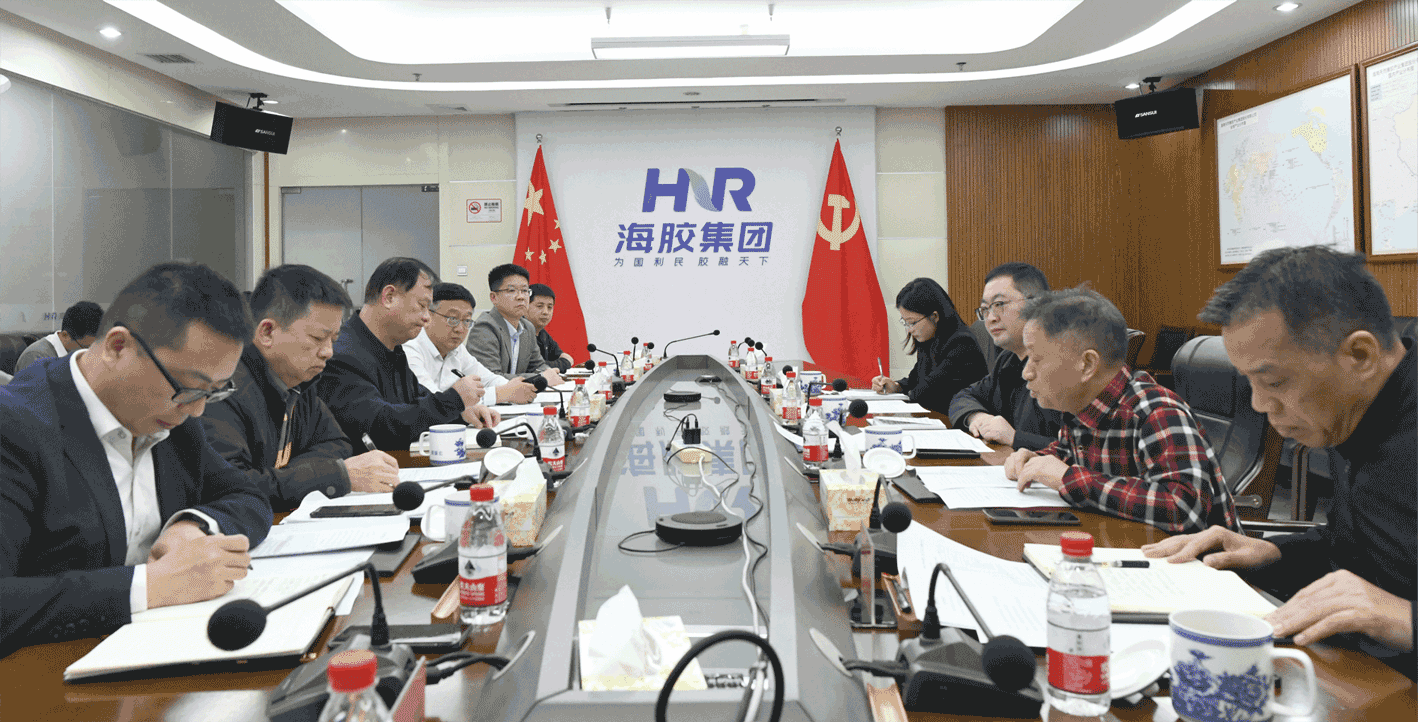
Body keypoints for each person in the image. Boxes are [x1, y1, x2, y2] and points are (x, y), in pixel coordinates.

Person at [1142, 246, 1414, 674]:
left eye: (1274, 381)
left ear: (1360, 356)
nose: (1259, 404)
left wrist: (1406, 618)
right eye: (1249, 382)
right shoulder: (1353, 414)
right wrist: (1270, 553)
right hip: (1356, 671)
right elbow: (1362, 550)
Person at [0, 262, 271, 656]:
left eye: (212, 392)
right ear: (117, 347)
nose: (197, 410)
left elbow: (247, 496)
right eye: (189, 388)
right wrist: (151, 585)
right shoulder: (15, 427)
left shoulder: (173, 417)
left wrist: (191, 526)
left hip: (158, 653)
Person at [1004, 287, 1238, 535]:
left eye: (1036, 359)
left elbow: (1184, 508)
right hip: (1128, 544)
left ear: (1087, 365)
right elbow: (1067, 454)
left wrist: (1067, 478)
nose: (1026, 372)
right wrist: (1035, 460)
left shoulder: (1157, 412)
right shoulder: (1081, 406)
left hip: (1197, 558)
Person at [200, 265, 402, 512]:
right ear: (267, 332)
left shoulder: (299, 381)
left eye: (334, 340)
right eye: (318, 338)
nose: (328, 352)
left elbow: (337, 443)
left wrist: (285, 476)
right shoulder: (223, 388)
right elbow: (231, 487)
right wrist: (332, 476)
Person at [318, 258, 499, 451]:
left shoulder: (392, 349)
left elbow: (416, 401)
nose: (427, 318)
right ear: (389, 297)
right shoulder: (342, 354)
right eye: (422, 305)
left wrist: (461, 413)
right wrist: (454, 400)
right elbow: (379, 427)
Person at [949, 263, 1064, 450]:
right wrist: (978, 417)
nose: (990, 318)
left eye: (999, 304)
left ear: (1037, 305)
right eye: (985, 309)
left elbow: (1083, 452)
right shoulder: (1007, 360)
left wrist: (1014, 438)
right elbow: (963, 396)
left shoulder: (1063, 364)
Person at [404, 282, 537, 404]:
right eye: (452, 319)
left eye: (467, 321)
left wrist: (516, 387)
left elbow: (489, 379)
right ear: (428, 316)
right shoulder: (409, 349)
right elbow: (434, 402)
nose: (460, 329)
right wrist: (500, 394)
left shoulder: (457, 350)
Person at [871, 277, 987, 414]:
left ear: (934, 316)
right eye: (906, 323)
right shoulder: (929, 340)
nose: (909, 330)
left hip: (961, 421)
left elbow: (925, 392)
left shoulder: (961, 343)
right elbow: (915, 380)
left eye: (912, 322)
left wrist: (905, 392)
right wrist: (896, 386)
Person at [466, 264, 563, 386]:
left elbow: (537, 365)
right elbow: (489, 378)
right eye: (511, 290)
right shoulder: (484, 328)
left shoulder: (528, 327)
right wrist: (541, 377)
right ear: (494, 297)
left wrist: (549, 372)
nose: (521, 297)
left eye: (525, 290)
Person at [14, 301, 103, 373]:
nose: (89, 353)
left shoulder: (78, 355)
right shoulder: (36, 357)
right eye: (86, 347)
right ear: (65, 335)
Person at [527, 283, 574, 374]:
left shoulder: (542, 333)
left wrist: (564, 361)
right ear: (525, 306)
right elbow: (535, 367)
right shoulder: (519, 332)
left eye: (549, 307)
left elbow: (560, 355)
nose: (545, 312)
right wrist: (565, 363)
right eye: (539, 306)